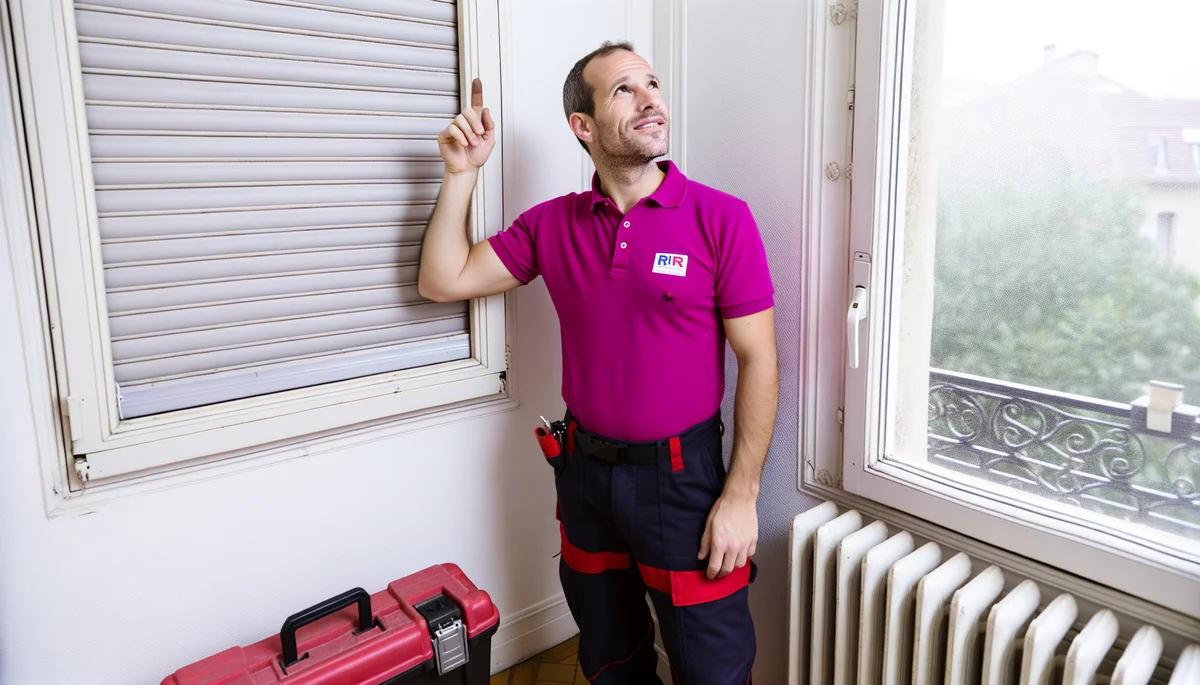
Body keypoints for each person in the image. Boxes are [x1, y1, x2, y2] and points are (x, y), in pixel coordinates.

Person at [418, 41, 777, 685]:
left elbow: (759, 361)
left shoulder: (722, 219)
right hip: (584, 477)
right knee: (610, 660)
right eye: (624, 90)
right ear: (582, 125)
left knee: (715, 671)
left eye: (652, 85)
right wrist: (461, 174)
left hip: (685, 482)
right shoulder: (552, 225)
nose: (650, 100)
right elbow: (443, 279)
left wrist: (741, 496)